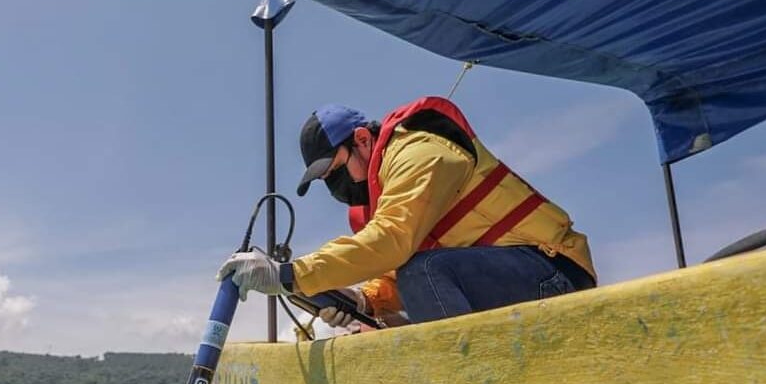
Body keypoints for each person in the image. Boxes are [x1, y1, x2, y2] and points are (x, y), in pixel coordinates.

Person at [217, 96, 596, 329]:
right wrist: (361, 302)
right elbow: (399, 275)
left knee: (423, 271)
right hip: (508, 276)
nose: (336, 185)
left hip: (554, 270)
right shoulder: (387, 192)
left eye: (335, 169)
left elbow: (392, 241)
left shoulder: (418, 152)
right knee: (418, 275)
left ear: (362, 140)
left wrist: (289, 274)